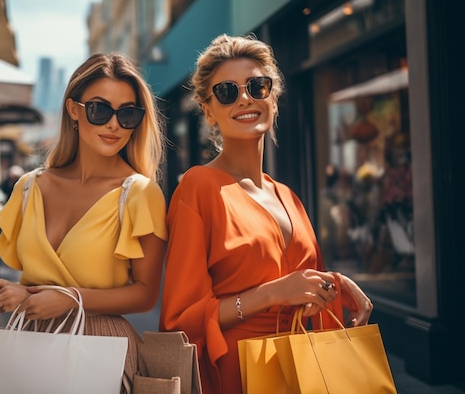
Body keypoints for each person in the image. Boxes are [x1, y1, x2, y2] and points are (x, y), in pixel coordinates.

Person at [159, 34, 373, 394]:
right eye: (227, 91)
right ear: (208, 109)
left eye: (257, 86)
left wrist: (334, 284)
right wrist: (272, 294)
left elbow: (300, 285)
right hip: (238, 374)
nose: (245, 98)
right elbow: (179, 321)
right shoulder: (198, 188)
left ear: (273, 98)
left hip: (303, 370)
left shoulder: (287, 195)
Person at [0, 52, 167, 393]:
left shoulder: (140, 193)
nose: (114, 124)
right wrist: (11, 291)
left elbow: (145, 295)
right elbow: (38, 278)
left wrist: (71, 299)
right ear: (73, 110)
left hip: (102, 347)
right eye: (100, 110)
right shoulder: (29, 187)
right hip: (29, 342)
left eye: (127, 114)